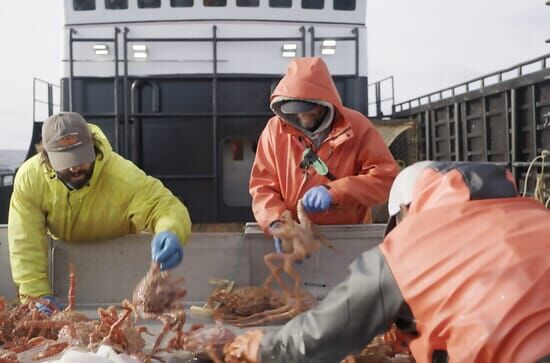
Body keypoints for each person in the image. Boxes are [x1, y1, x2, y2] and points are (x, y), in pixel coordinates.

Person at [226, 161, 550, 363]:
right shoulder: (537, 215)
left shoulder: (411, 245)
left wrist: (262, 347)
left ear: (407, 209)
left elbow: (324, 334)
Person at [8, 112, 191, 311]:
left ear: (93, 146)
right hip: (60, 262)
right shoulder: (30, 179)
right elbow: (25, 241)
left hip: (120, 267)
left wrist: (170, 231)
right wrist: (36, 295)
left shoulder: (123, 176)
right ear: (46, 158)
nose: (75, 168)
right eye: (65, 161)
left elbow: (164, 206)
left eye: (80, 157)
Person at [249, 57, 398, 252]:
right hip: (295, 238)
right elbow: (262, 186)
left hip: (349, 238)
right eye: (294, 111)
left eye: (307, 110)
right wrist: (275, 221)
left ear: (324, 103)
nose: (301, 117)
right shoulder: (274, 130)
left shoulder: (358, 126)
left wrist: (334, 192)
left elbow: (386, 179)